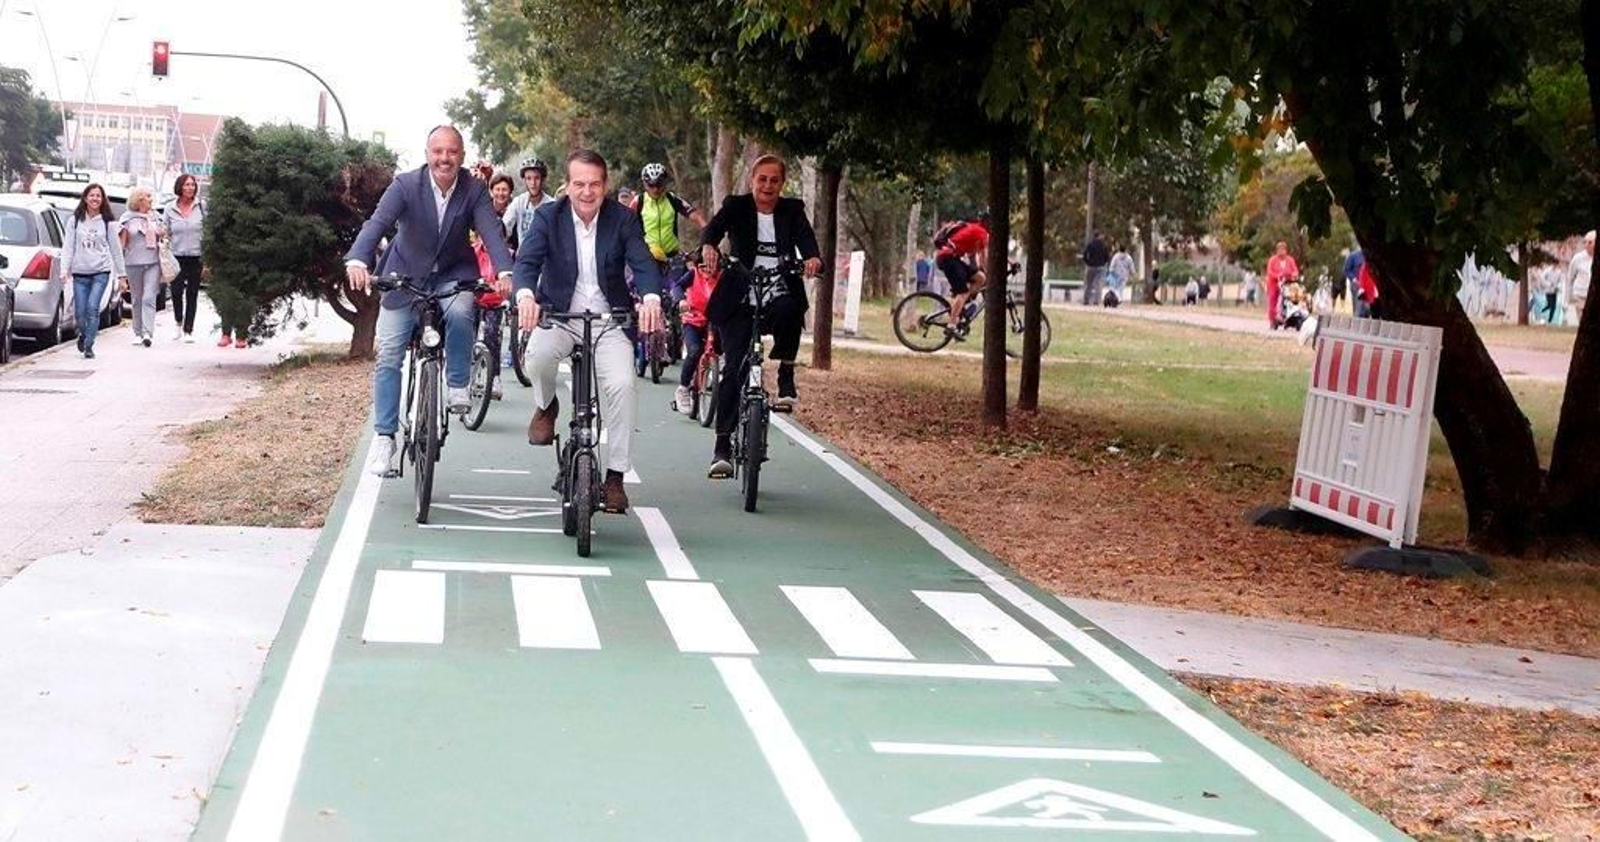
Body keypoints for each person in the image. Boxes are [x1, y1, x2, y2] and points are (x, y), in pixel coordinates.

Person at [346, 125, 514, 476]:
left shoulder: (474, 190)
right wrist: (358, 259)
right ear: (427, 154)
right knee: (390, 352)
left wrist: (505, 271)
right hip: (405, 275)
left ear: (462, 157)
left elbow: (491, 233)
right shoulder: (406, 185)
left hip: (453, 273)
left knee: (461, 310)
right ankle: (384, 439)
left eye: (452, 152)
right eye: (438, 151)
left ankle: (457, 384)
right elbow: (377, 223)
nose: (444, 158)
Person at [516, 148, 663, 514]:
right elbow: (528, 261)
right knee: (536, 357)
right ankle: (545, 406)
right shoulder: (548, 216)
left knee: (623, 386)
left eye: (594, 184)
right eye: (578, 184)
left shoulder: (623, 220)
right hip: (560, 315)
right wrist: (525, 296)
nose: (586, 192)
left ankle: (615, 477)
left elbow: (642, 262)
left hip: (609, 321)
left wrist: (650, 299)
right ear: (566, 185)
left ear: (605, 186)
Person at [698, 154, 822, 478]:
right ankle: (722, 446)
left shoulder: (792, 211)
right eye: (762, 179)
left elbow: (808, 241)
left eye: (774, 180)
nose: (767, 185)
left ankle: (785, 374)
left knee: (790, 308)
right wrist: (709, 247)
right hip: (740, 295)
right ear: (752, 180)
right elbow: (711, 231)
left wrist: (811, 259)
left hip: (776, 289)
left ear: (782, 184)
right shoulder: (736, 206)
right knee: (733, 372)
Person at [59, 183, 126, 359]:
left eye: (98, 196)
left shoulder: (108, 222)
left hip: (100, 272)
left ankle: (89, 345)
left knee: (93, 308)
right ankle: (83, 334)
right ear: (85, 198)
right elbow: (68, 247)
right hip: (80, 273)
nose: (95, 198)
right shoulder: (75, 220)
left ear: (103, 200)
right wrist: (64, 269)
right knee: (80, 313)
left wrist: (122, 275)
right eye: (92, 195)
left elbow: (116, 249)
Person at [628, 162, 708, 270]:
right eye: (651, 185)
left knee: (683, 284)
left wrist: (709, 237)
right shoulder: (639, 201)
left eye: (659, 185)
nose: (655, 189)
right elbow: (624, 224)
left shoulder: (672, 199)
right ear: (644, 184)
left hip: (673, 256)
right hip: (648, 257)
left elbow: (696, 217)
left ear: (665, 183)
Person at [118, 186, 166, 347]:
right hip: (133, 263)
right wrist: (120, 272)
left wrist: (163, 232)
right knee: (137, 298)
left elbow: (165, 234)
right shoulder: (127, 219)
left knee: (149, 297)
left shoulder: (155, 217)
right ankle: (137, 332)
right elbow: (121, 245)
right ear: (139, 199)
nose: (151, 199)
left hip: (153, 262)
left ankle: (148, 333)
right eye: (148, 196)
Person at [671, 252, 717, 414]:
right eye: (703, 266)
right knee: (695, 350)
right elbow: (677, 287)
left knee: (724, 350)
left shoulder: (723, 276)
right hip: (693, 320)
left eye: (712, 266)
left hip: (715, 320)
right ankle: (683, 388)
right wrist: (681, 300)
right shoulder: (693, 274)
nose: (707, 270)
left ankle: (716, 375)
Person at [933, 212, 990, 338]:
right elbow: (984, 258)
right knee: (962, 293)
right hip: (948, 258)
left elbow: (974, 257)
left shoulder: (974, 230)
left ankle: (961, 306)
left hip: (950, 258)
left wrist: (981, 272)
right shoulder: (981, 232)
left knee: (980, 278)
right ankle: (951, 326)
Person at [163, 174, 205, 342]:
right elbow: (165, 230)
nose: (190, 188)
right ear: (180, 187)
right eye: (187, 185)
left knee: (193, 294)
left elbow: (208, 230)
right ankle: (178, 322)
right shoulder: (169, 208)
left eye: (192, 185)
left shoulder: (201, 206)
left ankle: (189, 330)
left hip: (196, 256)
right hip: (176, 256)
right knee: (176, 291)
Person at [504, 157, 556, 246]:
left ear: (542, 179)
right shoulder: (519, 202)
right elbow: (505, 229)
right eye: (529, 178)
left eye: (537, 178)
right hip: (523, 256)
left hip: (543, 257)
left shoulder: (551, 204)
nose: (533, 183)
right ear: (524, 180)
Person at [1265, 241, 1299, 328]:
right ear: (1277, 250)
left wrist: (1294, 274)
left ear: (1286, 250)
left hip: (1286, 283)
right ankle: (1272, 320)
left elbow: (1295, 270)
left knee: (1289, 298)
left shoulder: (1290, 260)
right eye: (1279, 250)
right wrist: (1277, 276)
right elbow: (1269, 271)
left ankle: (1288, 316)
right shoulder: (1273, 260)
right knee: (1273, 301)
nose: (1281, 252)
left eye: (1283, 250)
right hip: (1274, 283)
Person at [1568, 230, 1593, 323]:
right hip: (1581, 295)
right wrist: (1569, 296)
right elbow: (1570, 276)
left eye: (1590, 242)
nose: (1587, 244)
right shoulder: (1578, 258)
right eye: (1585, 242)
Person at [1081, 231, 1110, 306]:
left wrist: (1088, 263)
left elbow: (1084, 255)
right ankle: (1096, 301)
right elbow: (1107, 257)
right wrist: (1104, 263)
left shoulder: (1090, 244)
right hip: (1100, 267)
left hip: (1091, 266)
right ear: (1099, 236)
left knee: (1089, 284)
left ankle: (1086, 300)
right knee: (1098, 285)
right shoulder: (1104, 245)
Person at [1339, 247, 1363, 313]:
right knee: (1358, 309)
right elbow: (1346, 270)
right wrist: (1354, 279)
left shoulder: (1371, 255)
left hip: (1369, 286)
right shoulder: (1353, 256)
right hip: (1357, 285)